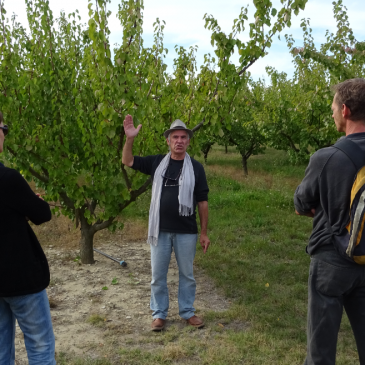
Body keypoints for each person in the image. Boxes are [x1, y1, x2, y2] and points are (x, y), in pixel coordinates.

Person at [294, 78, 365, 365]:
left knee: (321, 349)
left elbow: (301, 204)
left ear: (345, 110)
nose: (333, 113)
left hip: (331, 262)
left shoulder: (328, 158)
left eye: (334, 107)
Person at [122, 115, 210, 331]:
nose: (179, 140)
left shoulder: (196, 168)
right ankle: (159, 314)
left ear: (188, 141)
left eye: (183, 137)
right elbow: (128, 161)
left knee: (187, 274)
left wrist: (204, 232)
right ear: (168, 141)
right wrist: (130, 139)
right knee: (157, 275)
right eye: (175, 137)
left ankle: (187, 311)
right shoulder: (157, 162)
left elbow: (202, 201)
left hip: (186, 231)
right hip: (159, 231)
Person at [0, 112, 56, 365]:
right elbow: (42, 215)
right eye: (4, 129)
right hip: (19, 278)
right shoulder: (8, 178)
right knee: (40, 345)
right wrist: (31, 204)